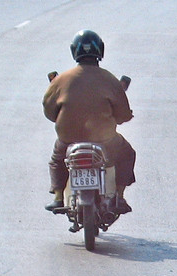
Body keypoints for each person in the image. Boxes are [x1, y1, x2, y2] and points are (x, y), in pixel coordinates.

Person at [42, 30, 135, 213]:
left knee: (57, 159)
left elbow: (49, 111)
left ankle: (58, 197)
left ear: (73, 52)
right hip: (105, 140)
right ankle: (120, 196)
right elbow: (123, 114)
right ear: (100, 50)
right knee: (127, 153)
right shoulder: (110, 80)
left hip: (68, 138)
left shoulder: (60, 80)